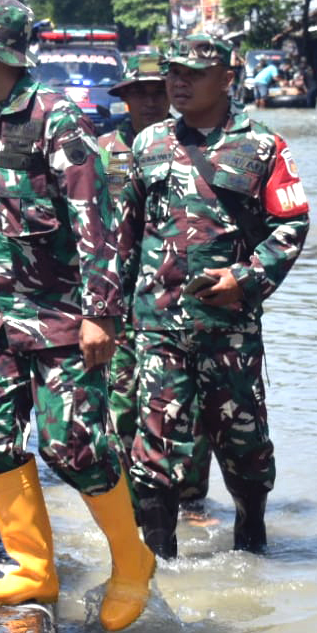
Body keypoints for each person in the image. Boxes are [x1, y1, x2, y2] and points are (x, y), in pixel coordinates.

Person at [0, 0, 154, 633]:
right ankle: (34, 567)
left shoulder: (55, 119)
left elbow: (97, 221)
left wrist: (101, 312)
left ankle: (132, 560)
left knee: (74, 446)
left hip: (61, 315)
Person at [119, 35, 310, 558]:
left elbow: (291, 226)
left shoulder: (263, 146)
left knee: (244, 447)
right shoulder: (148, 145)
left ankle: (252, 546)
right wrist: (107, 316)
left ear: (227, 79)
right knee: (154, 449)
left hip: (230, 330)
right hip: (157, 326)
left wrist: (244, 279)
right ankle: (158, 568)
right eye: (173, 72)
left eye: (193, 73)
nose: (178, 83)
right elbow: (124, 236)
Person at [97, 52, 214, 513]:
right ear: (124, 99)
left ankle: (191, 500)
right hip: (117, 300)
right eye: (138, 94)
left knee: (188, 407)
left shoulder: (190, 147)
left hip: (172, 301)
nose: (149, 102)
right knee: (121, 401)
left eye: (155, 92)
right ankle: (131, 500)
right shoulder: (104, 151)